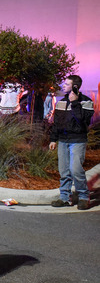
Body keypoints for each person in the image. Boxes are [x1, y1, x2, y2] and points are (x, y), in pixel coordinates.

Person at [49, 75, 95, 210]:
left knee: (75, 170)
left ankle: (83, 197)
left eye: (67, 84)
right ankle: (65, 198)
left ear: (75, 87)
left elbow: (83, 121)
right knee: (64, 171)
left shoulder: (86, 102)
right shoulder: (61, 102)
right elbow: (57, 123)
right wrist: (53, 139)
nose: (63, 86)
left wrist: (75, 103)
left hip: (77, 140)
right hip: (63, 140)